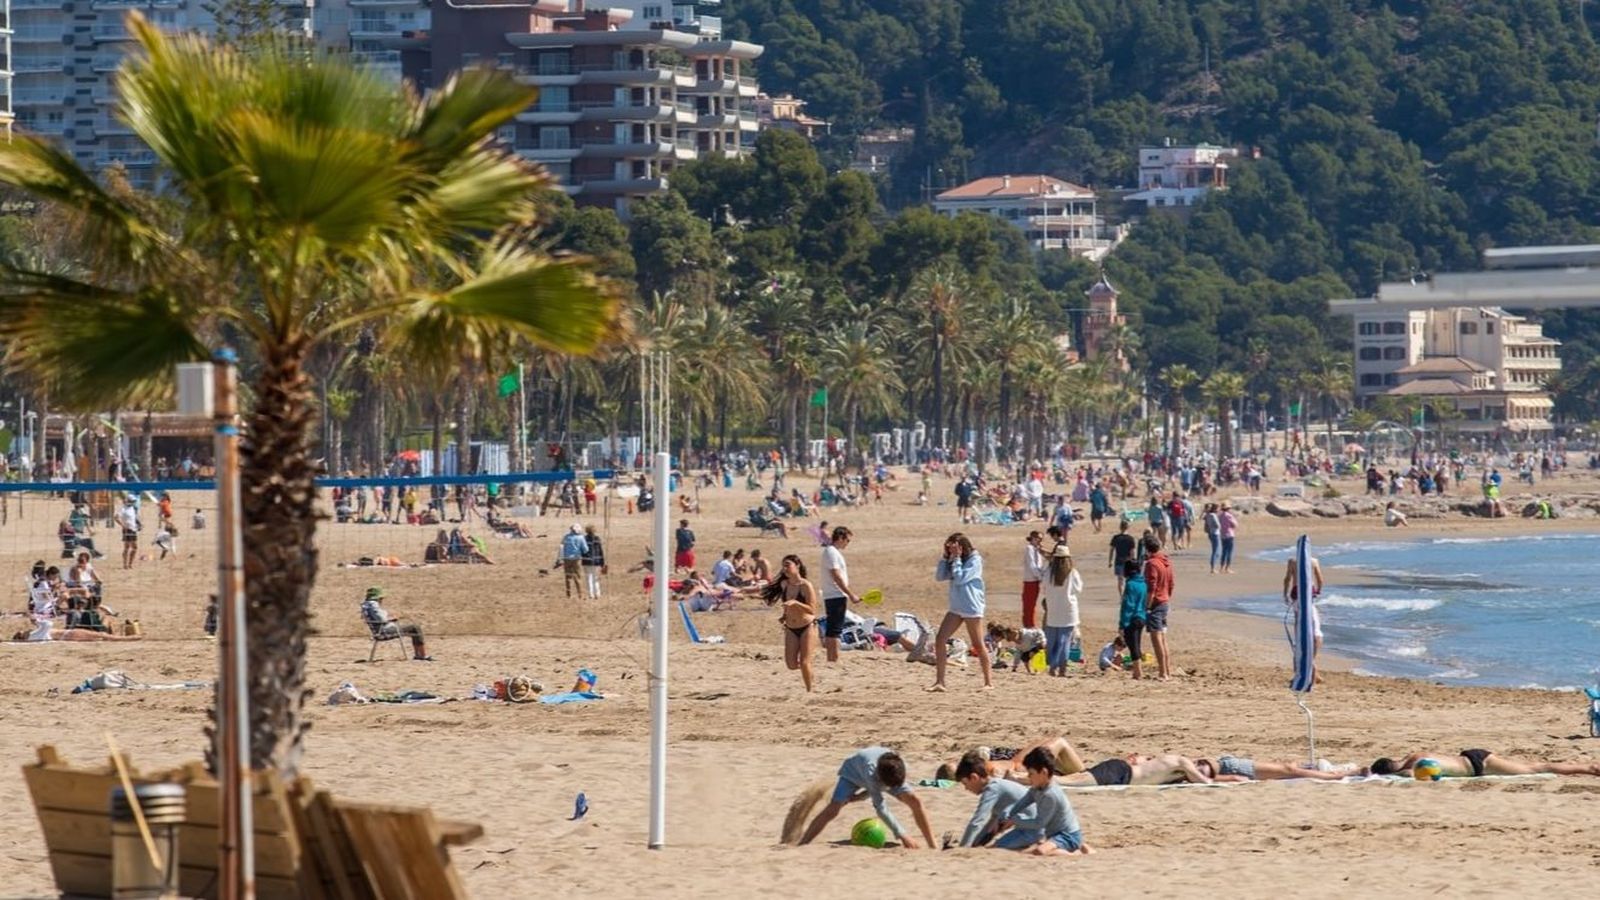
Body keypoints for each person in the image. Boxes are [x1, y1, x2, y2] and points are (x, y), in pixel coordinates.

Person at [797, 747, 934, 849]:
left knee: (915, 801)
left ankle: (932, 845)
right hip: (852, 774)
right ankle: (803, 843)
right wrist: (902, 835)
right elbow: (881, 808)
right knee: (834, 808)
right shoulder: (871, 773)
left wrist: (859, 797)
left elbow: (879, 788)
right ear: (880, 779)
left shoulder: (899, 767)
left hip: (884, 777)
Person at [992, 747, 1090, 855]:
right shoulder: (1037, 788)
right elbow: (1022, 802)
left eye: (1031, 773)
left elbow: (1039, 824)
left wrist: (1015, 821)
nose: (1029, 777)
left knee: (1039, 851)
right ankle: (1078, 845)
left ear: (1043, 772)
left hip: (1066, 835)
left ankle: (1077, 853)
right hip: (1054, 834)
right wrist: (1007, 815)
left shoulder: (1050, 795)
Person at [929, 533, 994, 692]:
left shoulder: (975, 560)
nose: (952, 550)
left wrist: (957, 559)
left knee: (978, 645)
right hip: (956, 607)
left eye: (954, 547)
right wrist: (946, 558)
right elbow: (940, 576)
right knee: (940, 639)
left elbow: (960, 578)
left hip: (971, 606)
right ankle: (940, 681)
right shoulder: (954, 559)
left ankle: (988, 682)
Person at [764, 554, 818, 692]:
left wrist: (796, 603)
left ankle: (809, 691)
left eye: (788, 565)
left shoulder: (806, 585)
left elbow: (812, 610)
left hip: (807, 626)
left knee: (805, 662)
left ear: (797, 565)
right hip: (791, 628)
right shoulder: (784, 585)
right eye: (783, 566)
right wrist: (784, 615)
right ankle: (809, 674)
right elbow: (787, 604)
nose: (785, 568)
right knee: (791, 664)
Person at [954, 751, 1027, 848]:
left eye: (965, 784)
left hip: (1034, 827)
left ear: (974, 777)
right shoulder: (997, 785)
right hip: (1030, 823)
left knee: (996, 847)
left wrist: (963, 847)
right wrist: (975, 844)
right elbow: (991, 823)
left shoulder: (992, 789)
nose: (966, 789)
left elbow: (977, 822)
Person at [1370, 750, 1600, 779]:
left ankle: (1591, 768)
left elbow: (1424, 776)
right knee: (1535, 765)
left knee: (1539, 768)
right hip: (1473, 754)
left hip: (1478, 766)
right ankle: (1586, 768)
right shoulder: (1415, 754)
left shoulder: (1414, 769)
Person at [1282, 551, 1326, 684]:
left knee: (1300, 631)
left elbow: (1287, 579)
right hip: (1308, 596)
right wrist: (1318, 591)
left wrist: (1285, 594)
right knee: (1315, 631)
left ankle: (1306, 670)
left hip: (1296, 598)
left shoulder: (1292, 561)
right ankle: (1310, 667)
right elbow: (1320, 580)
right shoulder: (1314, 561)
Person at [1040, 544, 1081, 678]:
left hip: (1053, 609)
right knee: (1065, 641)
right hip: (1068, 610)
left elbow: (1044, 587)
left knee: (1053, 639)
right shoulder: (1072, 572)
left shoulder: (1049, 572)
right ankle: (1061, 668)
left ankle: (1052, 665)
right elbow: (1078, 588)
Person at [359, 587, 432, 660]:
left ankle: (418, 655)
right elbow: (382, 619)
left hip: (378, 631)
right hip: (385, 631)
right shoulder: (373, 605)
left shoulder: (366, 605)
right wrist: (392, 618)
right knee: (415, 627)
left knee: (413, 628)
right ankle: (422, 655)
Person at [819, 526, 857, 663]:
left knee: (833, 628)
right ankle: (833, 659)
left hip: (834, 594)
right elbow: (836, 575)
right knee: (835, 630)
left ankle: (832, 658)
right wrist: (850, 594)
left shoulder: (832, 552)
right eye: (847, 540)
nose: (848, 543)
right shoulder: (831, 552)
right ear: (840, 538)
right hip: (835, 594)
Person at [1142, 536, 1175, 680]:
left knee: (1157, 639)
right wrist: (1167, 597)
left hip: (1156, 604)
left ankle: (1163, 672)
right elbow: (1171, 583)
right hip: (1164, 602)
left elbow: (1151, 588)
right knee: (1162, 638)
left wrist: (1147, 607)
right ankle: (1166, 670)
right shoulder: (1166, 562)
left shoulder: (1152, 563)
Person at [1196, 756, 1355, 782]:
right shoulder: (1186, 770)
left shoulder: (1181, 769)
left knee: (1288, 768)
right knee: (1289, 770)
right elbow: (1237, 779)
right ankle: (1336, 775)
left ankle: (1332, 772)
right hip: (1230, 767)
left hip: (1227, 765)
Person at [1118, 559, 1147, 679]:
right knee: (1136, 643)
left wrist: (1122, 624)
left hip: (1132, 618)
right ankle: (1137, 671)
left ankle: (1138, 672)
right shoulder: (1143, 583)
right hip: (1141, 616)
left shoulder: (1130, 585)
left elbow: (1127, 606)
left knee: (1133, 645)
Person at [1020, 531, 1045, 629]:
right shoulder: (1029, 548)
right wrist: (1040, 576)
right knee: (1028, 605)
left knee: (1032, 604)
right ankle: (1029, 624)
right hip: (1030, 580)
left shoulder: (1036, 549)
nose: (1038, 540)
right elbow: (1032, 565)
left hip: (1035, 580)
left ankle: (1030, 623)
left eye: (1040, 539)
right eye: (1036, 538)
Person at [558, 524, 588, 598]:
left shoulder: (566, 537)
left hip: (566, 559)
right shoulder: (581, 538)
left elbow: (561, 547)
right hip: (576, 559)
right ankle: (580, 594)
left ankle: (568, 594)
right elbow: (585, 549)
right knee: (577, 576)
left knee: (567, 577)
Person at [1108, 519, 1136, 594]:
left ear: (1120, 527)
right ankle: (1127, 595)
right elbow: (1132, 552)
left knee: (1120, 580)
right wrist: (1133, 561)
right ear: (1128, 527)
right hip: (1128, 561)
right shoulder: (1130, 538)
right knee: (1128, 580)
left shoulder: (1116, 538)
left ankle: (1122, 596)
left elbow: (1111, 550)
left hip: (1118, 561)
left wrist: (1110, 561)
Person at [581, 525, 606, 599]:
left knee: (589, 578)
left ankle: (591, 594)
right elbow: (600, 551)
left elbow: (582, 550)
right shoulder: (597, 539)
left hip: (587, 560)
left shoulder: (584, 539)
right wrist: (602, 562)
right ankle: (597, 594)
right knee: (596, 578)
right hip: (596, 560)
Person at [116, 496, 140, 570]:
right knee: (127, 547)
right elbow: (116, 518)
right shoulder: (123, 509)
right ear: (128, 500)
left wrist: (138, 524)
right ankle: (125, 564)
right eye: (132, 501)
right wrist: (123, 526)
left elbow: (134, 518)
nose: (133, 502)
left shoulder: (133, 508)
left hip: (133, 529)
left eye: (134, 501)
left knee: (135, 547)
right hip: (127, 530)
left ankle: (130, 564)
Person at [1217, 502, 1238, 573]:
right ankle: (1227, 568)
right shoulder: (1229, 516)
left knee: (1224, 552)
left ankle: (1221, 567)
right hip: (1229, 534)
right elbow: (1235, 524)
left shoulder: (1220, 516)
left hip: (1222, 535)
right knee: (1229, 552)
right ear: (1228, 509)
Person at [1202, 503, 1221, 573]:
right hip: (1215, 533)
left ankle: (1213, 567)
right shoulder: (1213, 515)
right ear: (1215, 509)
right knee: (1216, 551)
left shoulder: (1208, 515)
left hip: (1210, 533)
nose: (1219, 510)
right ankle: (1213, 568)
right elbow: (1217, 525)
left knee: (1215, 551)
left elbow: (1204, 519)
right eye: (1218, 508)